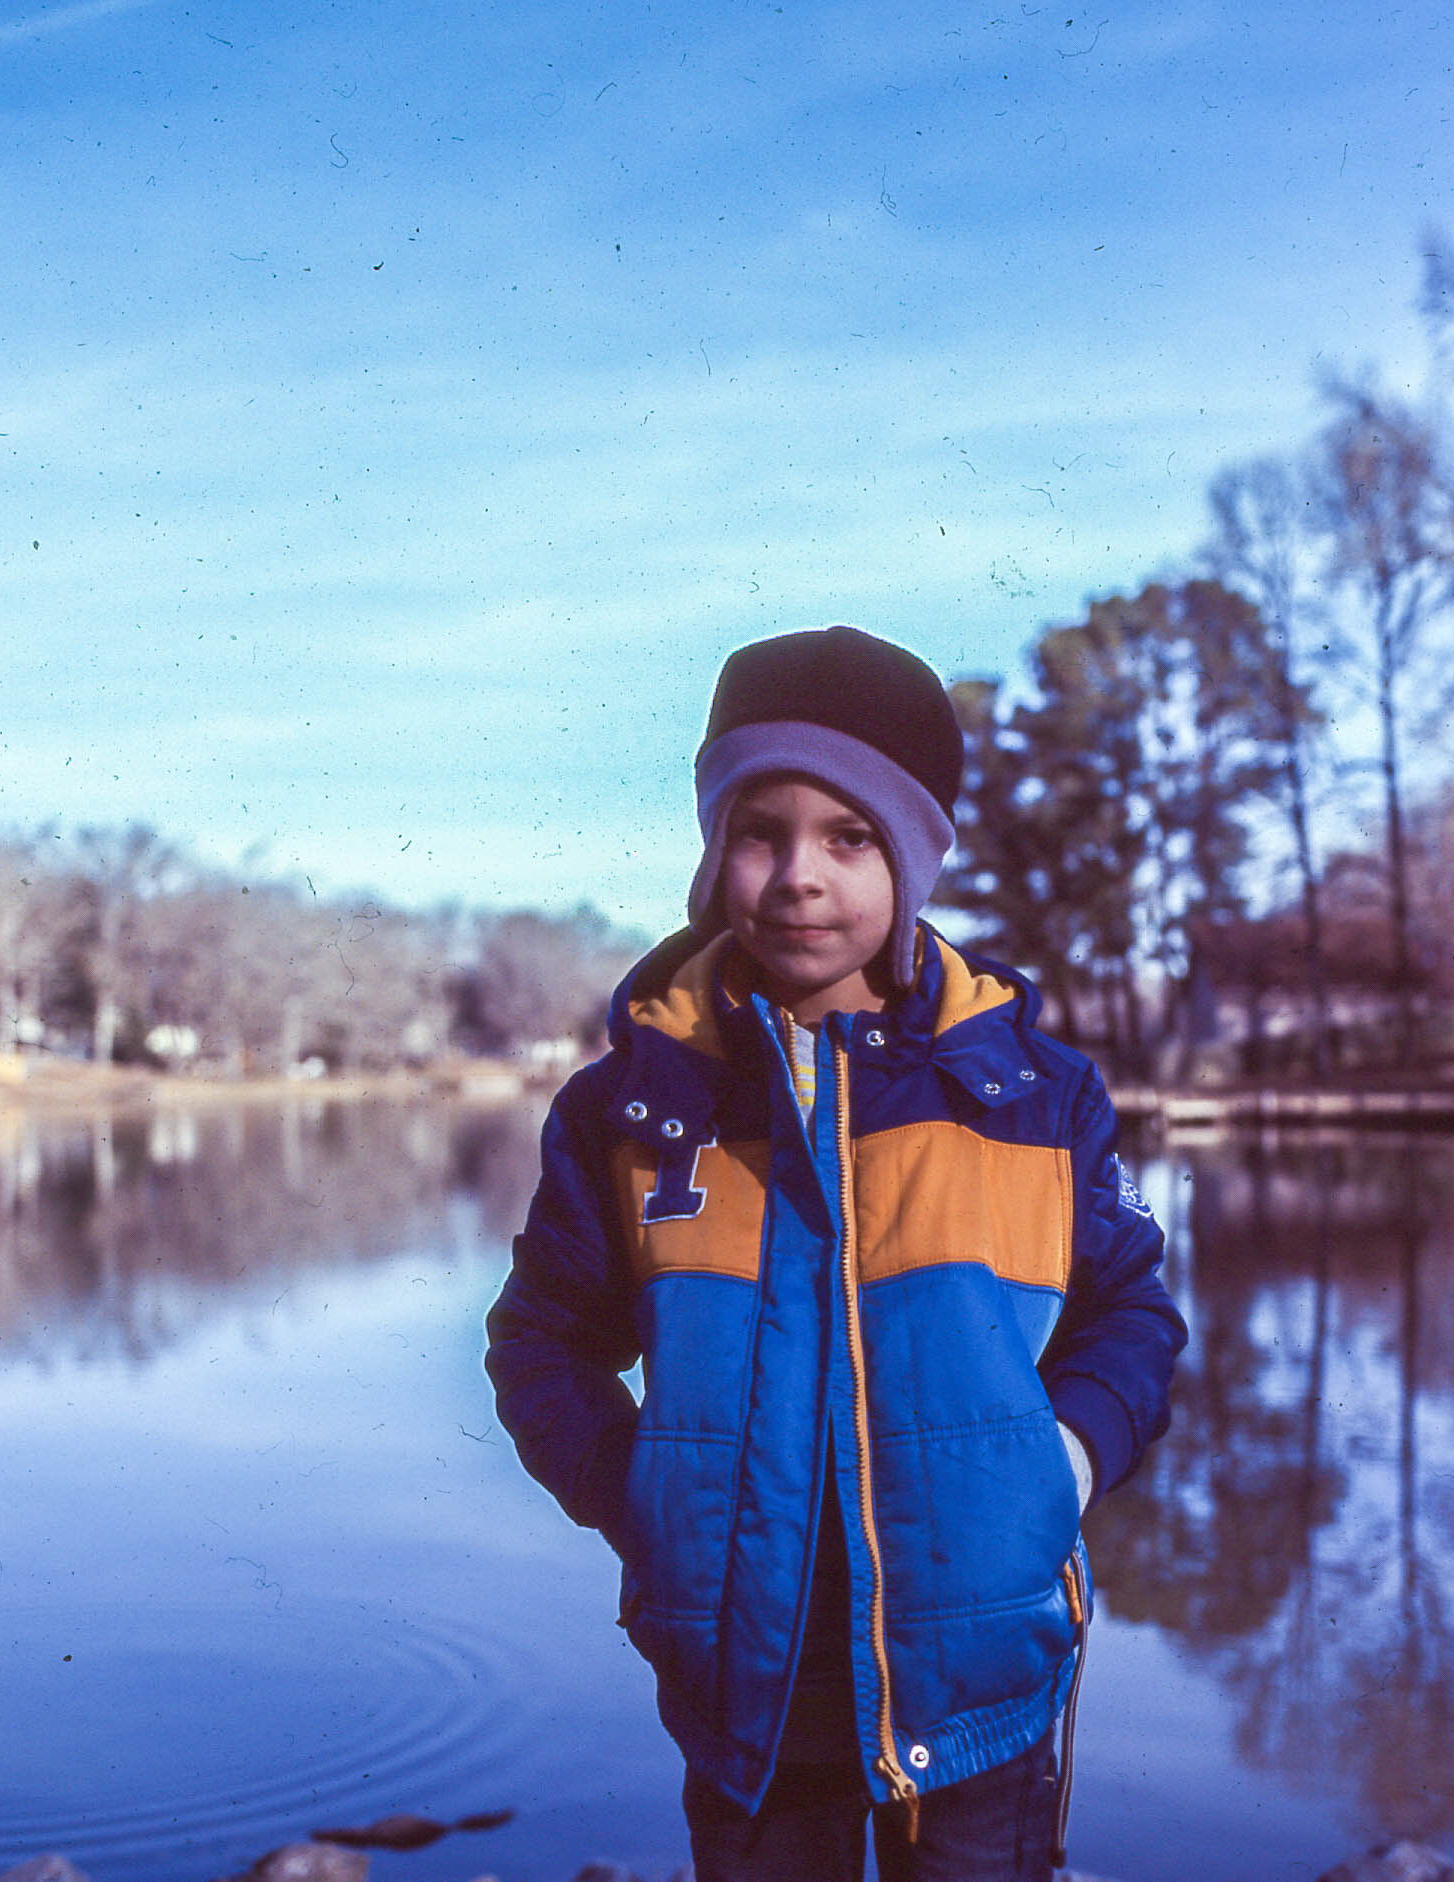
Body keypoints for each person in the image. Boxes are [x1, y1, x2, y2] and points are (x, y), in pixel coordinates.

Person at [485, 624, 1186, 1881]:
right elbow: (539, 1339)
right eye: (762, 830)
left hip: (980, 1676)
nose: (799, 874)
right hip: (746, 1680)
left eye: (849, 835)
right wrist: (629, 1490)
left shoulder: (1032, 1092)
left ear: (910, 859)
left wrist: (1065, 1464)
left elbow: (1129, 1314)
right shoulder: (630, 1112)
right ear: (713, 852)